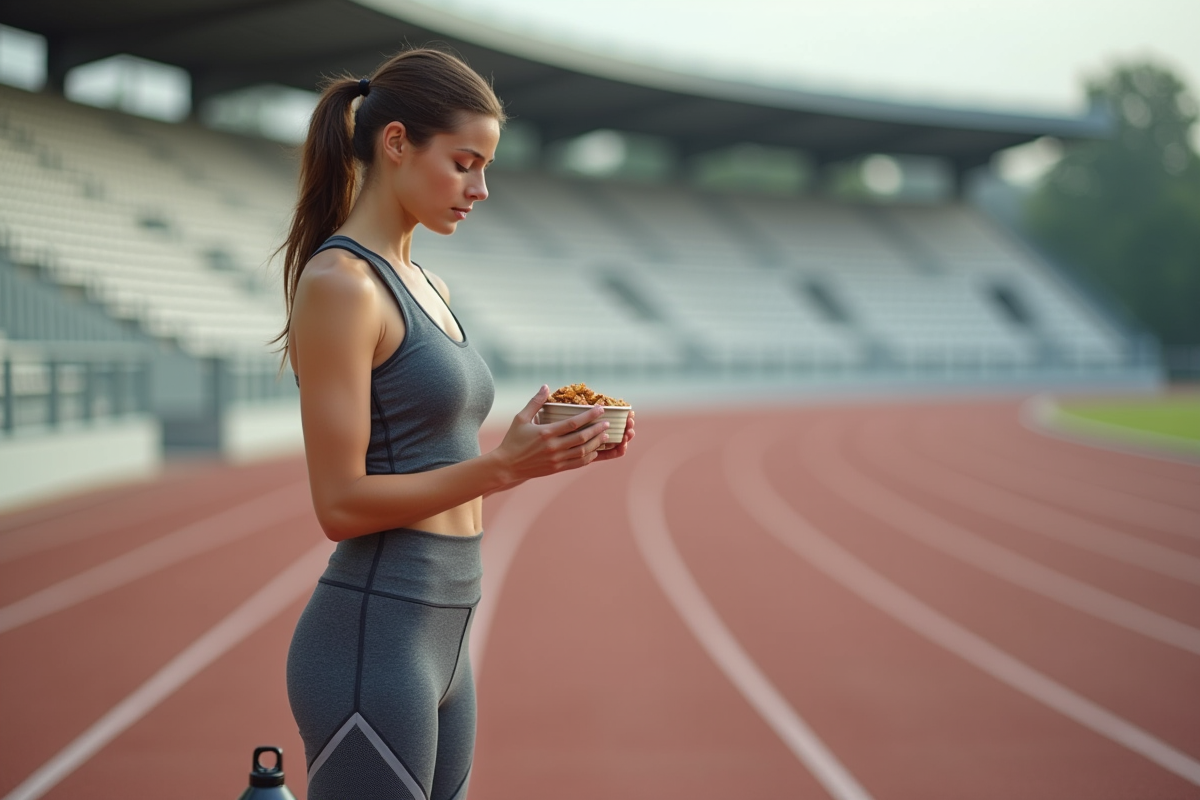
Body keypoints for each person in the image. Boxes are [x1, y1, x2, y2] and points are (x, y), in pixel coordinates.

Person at [278, 48, 635, 800]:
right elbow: (339, 506)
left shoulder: (427, 282)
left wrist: (551, 442)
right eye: (465, 163)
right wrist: (506, 467)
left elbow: (427, 442)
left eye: (487, 167)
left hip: (446, 633)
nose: (480, 189)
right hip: (372, 638)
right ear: (397, 142)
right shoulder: (342, 285)